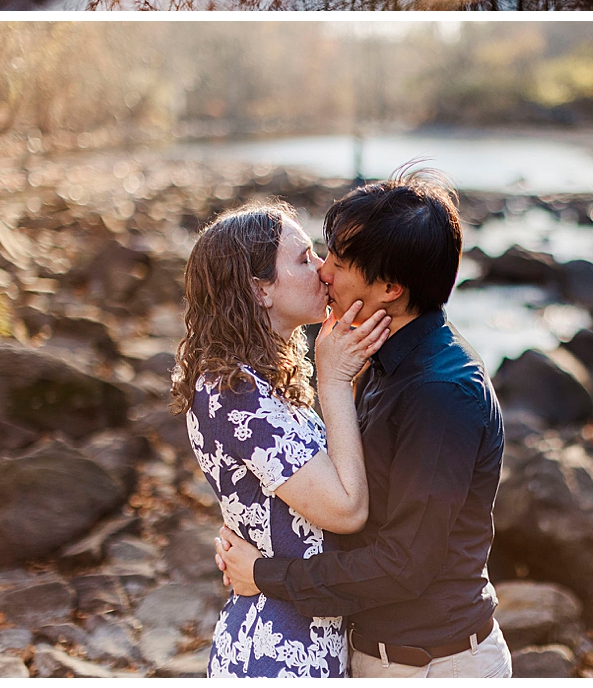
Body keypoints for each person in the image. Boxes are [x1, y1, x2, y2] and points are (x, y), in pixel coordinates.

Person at [216, 173, 512, 678]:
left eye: (339, 261)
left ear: (391, 288)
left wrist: (266, 575)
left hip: (435, 666)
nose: (323, 272)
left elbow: (403, 565)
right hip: (383, 657)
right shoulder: (377, 357)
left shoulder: (439, 393)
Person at [174, 203, 395, 677]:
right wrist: (333, 380)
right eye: (303, 259)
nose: (323, 270)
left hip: (312, 639)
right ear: (259, 290)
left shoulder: (264, 382)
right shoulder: (231, 393)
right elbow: (346, 509)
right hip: (274, 654)